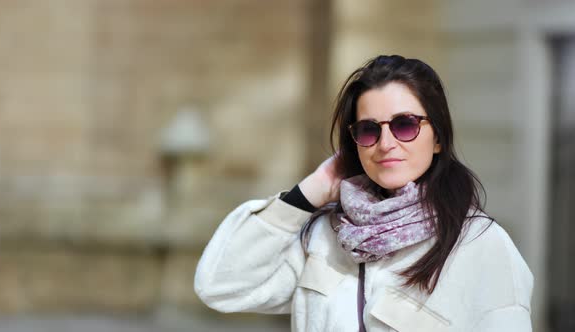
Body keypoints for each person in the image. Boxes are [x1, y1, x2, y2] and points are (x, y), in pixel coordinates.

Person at [194, 55, 533, 331]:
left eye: (405, 125)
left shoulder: (479, 245)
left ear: (439, 137)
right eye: (369, 130)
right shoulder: (325, 237)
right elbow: (220, 287)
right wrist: (308, 192)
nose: (387, 144)